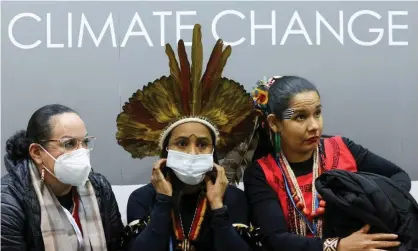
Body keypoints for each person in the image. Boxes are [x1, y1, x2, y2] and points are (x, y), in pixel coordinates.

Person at [116, 24, 259, 251]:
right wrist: (162, 201)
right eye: (182, 143)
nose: (192, 152)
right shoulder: (143, 198)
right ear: (166, 151)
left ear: (214, 150)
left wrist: (218, 207)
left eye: (202, 144)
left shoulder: (233, 198)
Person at [242, 76, 412, 251]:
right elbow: (276, 239)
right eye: (300, 117)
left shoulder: (343, 148)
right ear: (274, 123)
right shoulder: (261, 172)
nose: (314, 126)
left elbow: (398, 176)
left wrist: (368, 199)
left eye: (317, 113)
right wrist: (338, 246)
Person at [1, 104, 124, 251]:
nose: (82, 152)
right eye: (69, 144)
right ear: (37, 153)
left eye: (85, 142)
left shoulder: (100, 187)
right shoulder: (8, 202)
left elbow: (117, 246)